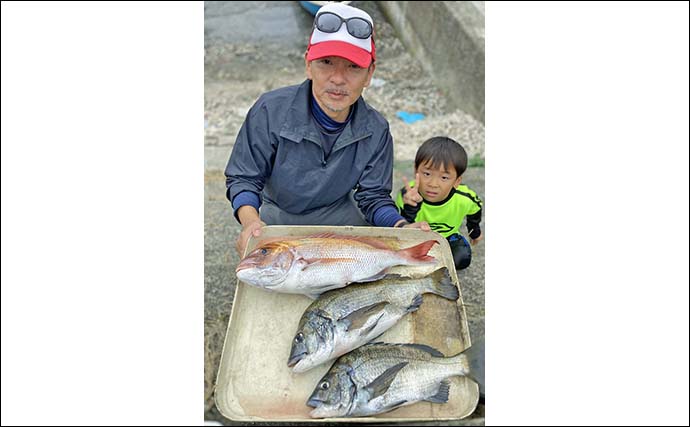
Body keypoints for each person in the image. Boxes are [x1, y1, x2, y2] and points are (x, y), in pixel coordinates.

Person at [225, 3, 428, 256]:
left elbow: (373, 196)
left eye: (354, 67)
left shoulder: (377, 129)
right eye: (326, 62)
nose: (338, 78)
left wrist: (402, 227)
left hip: (340, 216)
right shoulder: (270, 109)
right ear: (308, 65)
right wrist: (251, 223)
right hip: (277, 214)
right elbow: (244, 177)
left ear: (369, 74)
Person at [395, 136, 483, 270]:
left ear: (457, 181)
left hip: (447, 237)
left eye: (444, 177)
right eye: (427, 174)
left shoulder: (464, 197)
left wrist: (474, 231)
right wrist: (411, 207)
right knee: (402, 261)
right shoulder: (408, 195)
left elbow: (475, 209)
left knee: (461, 260)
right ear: (416, 171)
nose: (433, 184)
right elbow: (402, 226)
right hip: (417, 238)